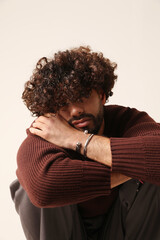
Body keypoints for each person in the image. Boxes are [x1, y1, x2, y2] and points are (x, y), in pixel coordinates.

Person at [10, 46, 160, 240]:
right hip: (66, 231)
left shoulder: (128, 119)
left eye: (81, 98)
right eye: (63, 104)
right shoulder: (44, 132)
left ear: (101, 95)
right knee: (29, 185)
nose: (75, 111)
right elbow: (43, 189)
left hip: (125, 226)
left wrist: (77, 139)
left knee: (153, 173)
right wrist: (140, 167)